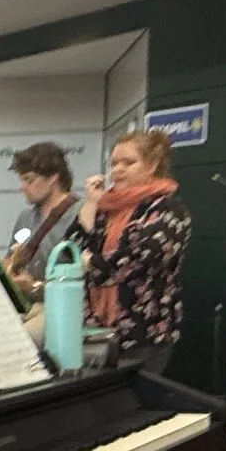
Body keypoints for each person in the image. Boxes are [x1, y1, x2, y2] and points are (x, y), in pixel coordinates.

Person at [62, 127, 191, 374]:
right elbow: (69, 252)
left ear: (152, 165)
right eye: (114, 163)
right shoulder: (106, 207)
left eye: (128, 162)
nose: (117, 170)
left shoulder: (168, 209)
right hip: (97, 330)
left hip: (144, 329)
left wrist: (91, 264)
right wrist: (91, 203)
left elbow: (140, 258)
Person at [2, 142, 78, 297]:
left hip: (63, 308)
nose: (22, 187)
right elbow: (9, 260)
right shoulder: (25, 217)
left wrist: (36, 287)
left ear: (52, 178)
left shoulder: (81, 214)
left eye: (29, 180)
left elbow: (87, 278)